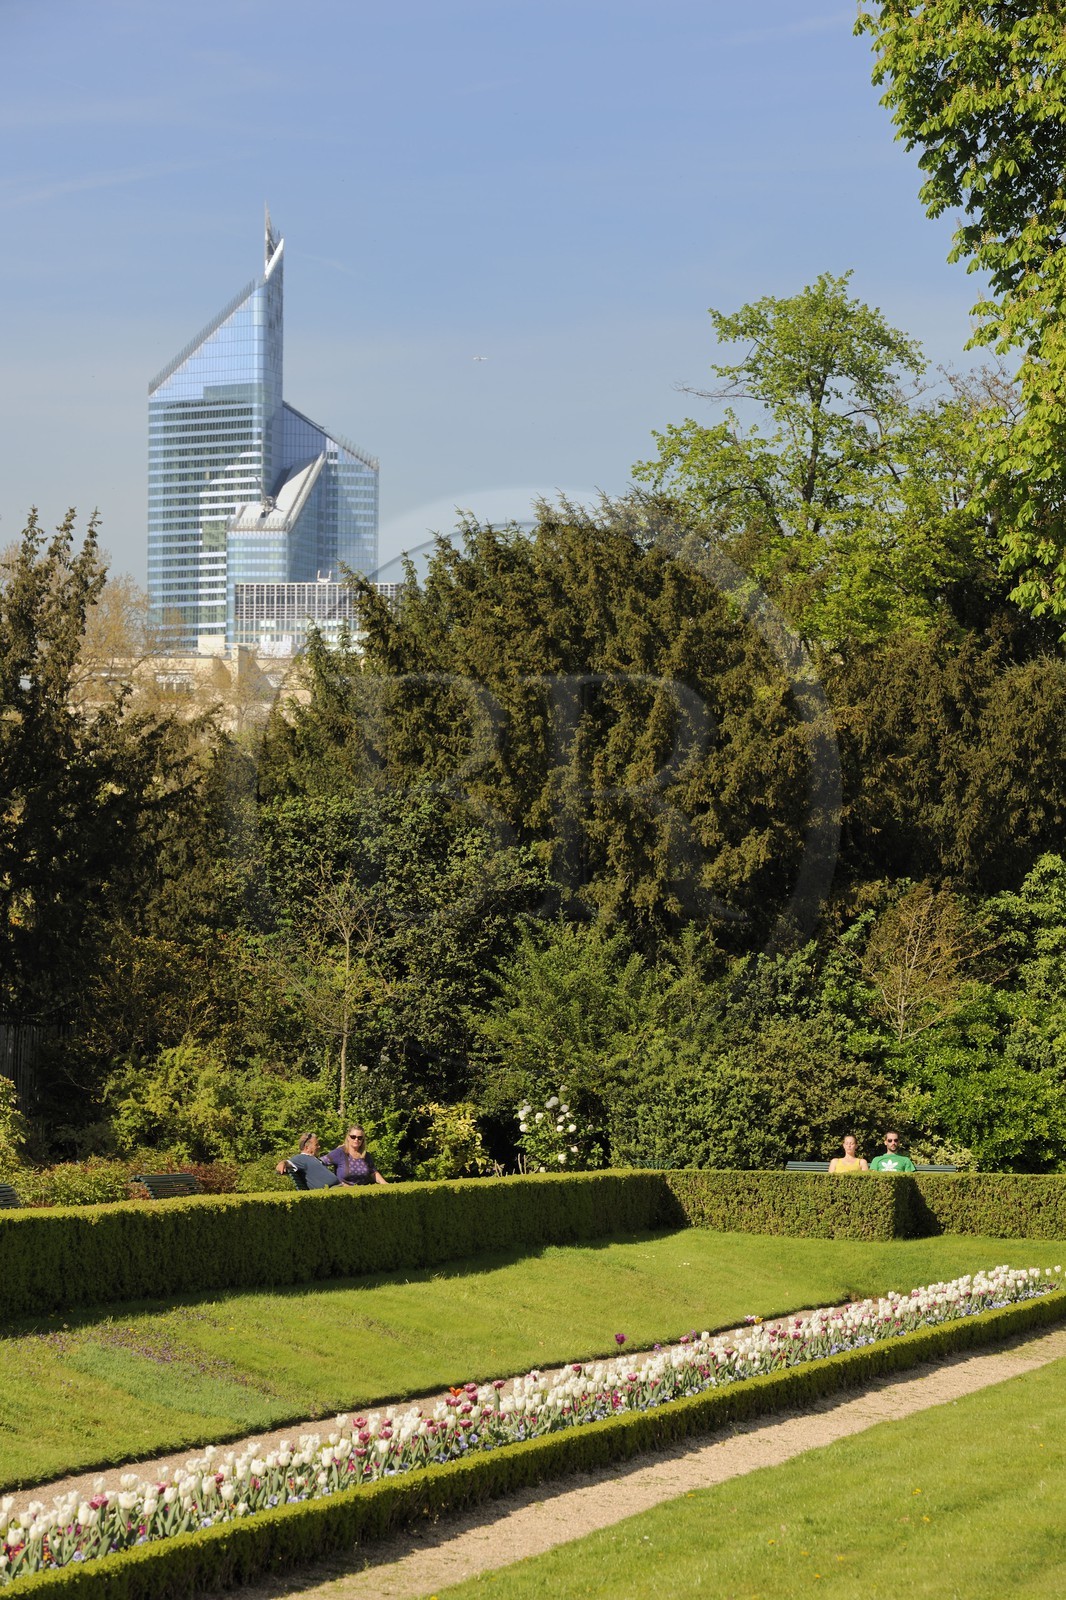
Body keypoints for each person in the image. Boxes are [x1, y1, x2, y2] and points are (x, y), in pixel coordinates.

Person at [276, 1132, 340, 1190]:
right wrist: (282, 1163)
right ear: (307, 1148)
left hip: (337, 1188)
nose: (319, 1146)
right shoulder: (301, 1158)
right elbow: (288, 1163)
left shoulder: (314, 1159)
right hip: (329, 1191)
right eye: (316, 1145)